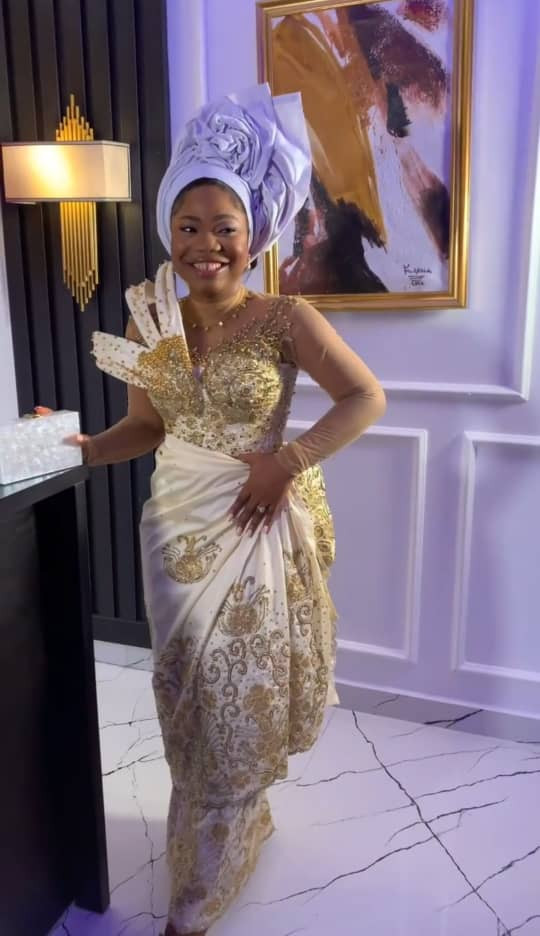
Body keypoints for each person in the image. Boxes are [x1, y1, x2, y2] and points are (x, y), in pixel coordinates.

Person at [73, 84, 386, 936]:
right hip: (175, 535)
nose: (205, 245)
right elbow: (146, 427)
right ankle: (231, 831)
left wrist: (287, 462)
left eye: (224, 227)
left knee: (234, 700)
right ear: (167, 231)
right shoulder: (153, 321)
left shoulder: (286, 316)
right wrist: (85, 448)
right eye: (188, 226)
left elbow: (365, 397)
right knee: (187, 698)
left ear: (254, 234)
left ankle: (199, 893)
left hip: (255, 533)